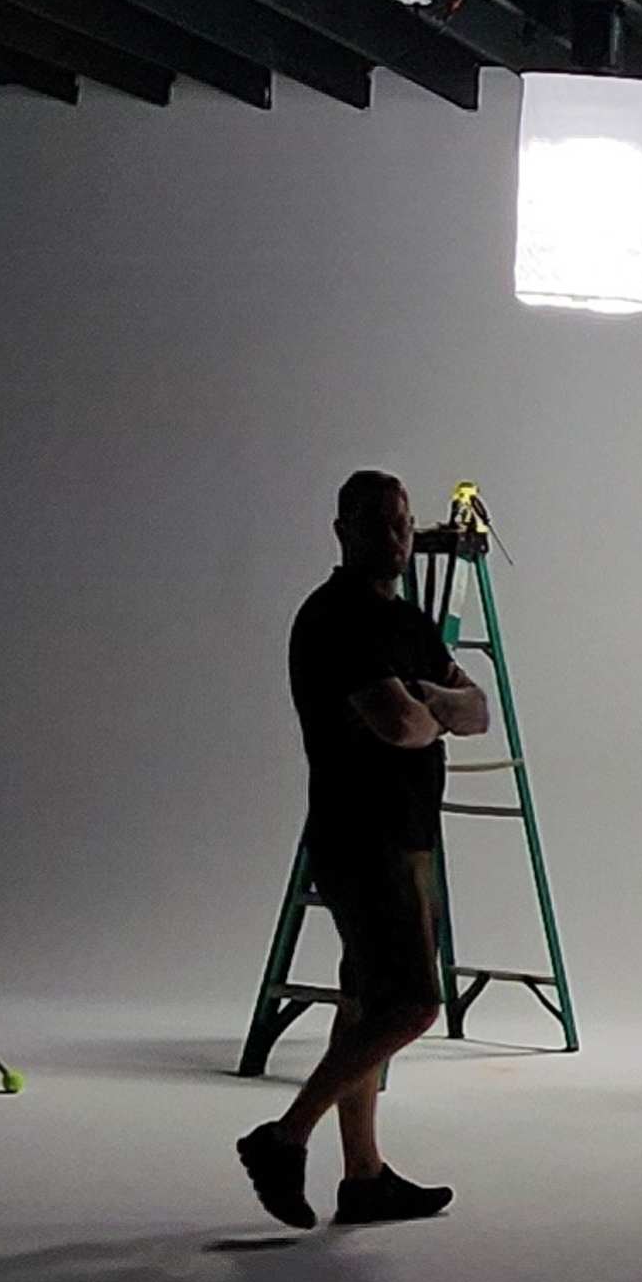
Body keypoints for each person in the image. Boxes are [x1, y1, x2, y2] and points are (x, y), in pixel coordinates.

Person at [236, 471, 491, 1232]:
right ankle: (285, 1136)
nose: (397, 536)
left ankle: (365, 1176)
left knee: (364, 1006)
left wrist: (430, 701)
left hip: (410, 833)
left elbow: (477, 710)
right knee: (413, 1004)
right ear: (342, 529)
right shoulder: (334, 619)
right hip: (360, 837)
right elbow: (399, 725)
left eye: (404, 522)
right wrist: (432, 709)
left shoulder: (408, 622)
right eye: (379, 522)